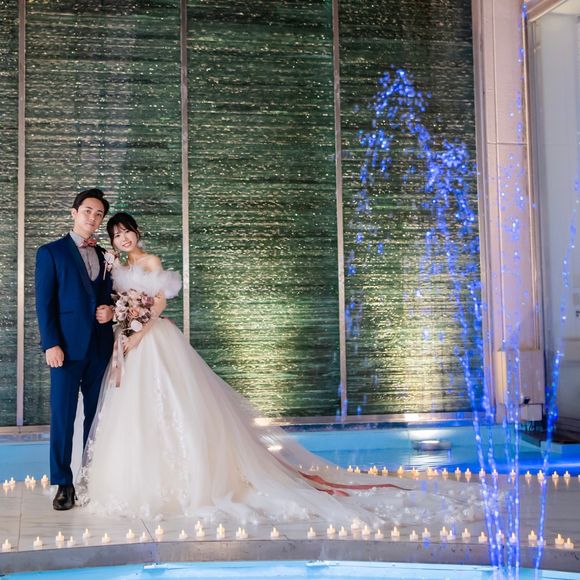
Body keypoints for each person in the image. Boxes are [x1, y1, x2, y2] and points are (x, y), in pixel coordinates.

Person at [77, 212, 484, 526]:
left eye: (127, 231)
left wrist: (140, 332)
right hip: (127, 343)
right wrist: (122, 323)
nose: (123, 238)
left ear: (137, 233)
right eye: (117, 234)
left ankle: (190, 481)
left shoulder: (151, 261)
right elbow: (116, 303)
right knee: (135, 412)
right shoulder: (116, 267)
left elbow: (160, 303)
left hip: (153, 339)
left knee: (174, 404)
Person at [35, 189, 114, 511]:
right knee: (63, 417)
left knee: (97, 418)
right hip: (65, 349)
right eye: (88, 211)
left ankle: (90, 477)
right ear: (74, 212)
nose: (93, 217)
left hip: (100, 347)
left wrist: (111, 311)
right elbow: (44, 304)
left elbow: (111, 296)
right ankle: (63, 483)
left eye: (99, 214)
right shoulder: (50, 252)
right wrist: (50, 343)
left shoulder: (106, 256)